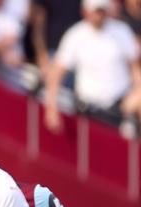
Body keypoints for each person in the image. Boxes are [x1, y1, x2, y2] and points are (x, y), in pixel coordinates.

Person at [44, 0, 141, 133]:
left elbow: (135, 69)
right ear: (85, 12)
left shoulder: (121, 31)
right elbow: (56, 74)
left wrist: (137, 90)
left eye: (102, 11)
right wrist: (51, 109)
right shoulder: (76, 35)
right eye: (96, 11)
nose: (99, 15)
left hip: (121, 104)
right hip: (90, 107)